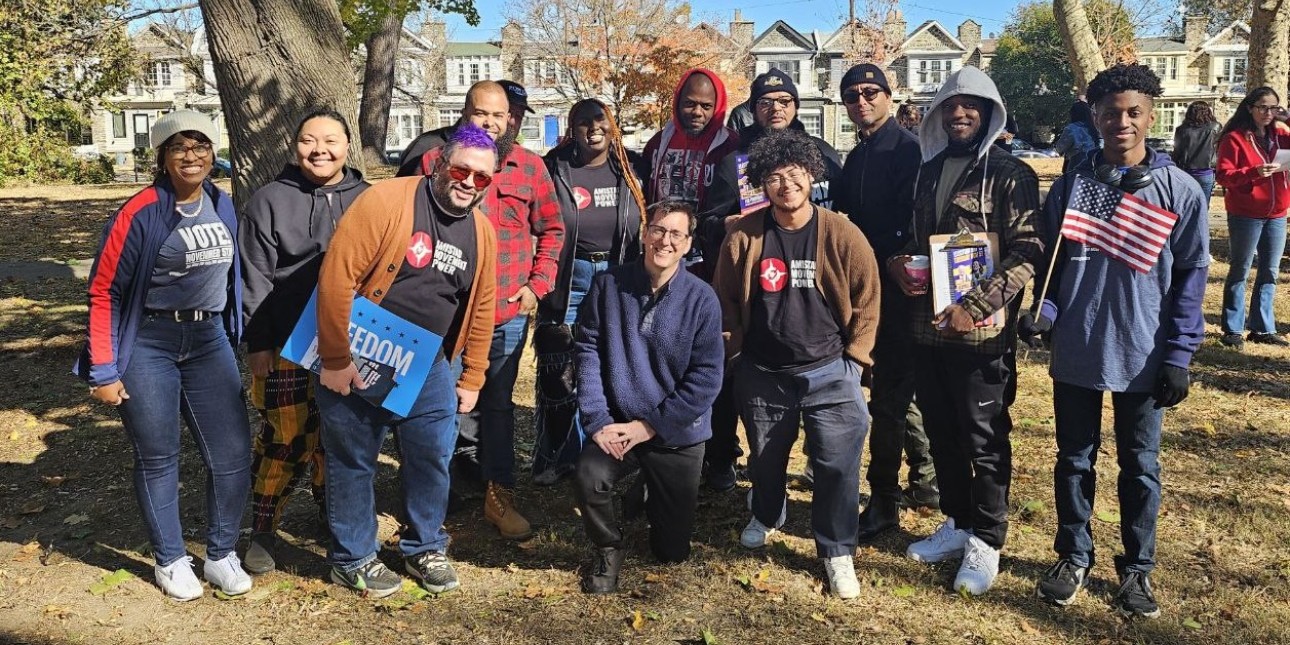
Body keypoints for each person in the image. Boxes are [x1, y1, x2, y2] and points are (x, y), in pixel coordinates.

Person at [1025, 63, 1209, 619]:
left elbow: (1192, 276)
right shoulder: (1075, 185)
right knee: (1074, 460)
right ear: (1096, 117)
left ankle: (1136, 569)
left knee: (1140, 465)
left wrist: (1180, 354)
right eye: (1110, 113)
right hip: (1078, 347)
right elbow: (1053, 264)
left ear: (1151, 116)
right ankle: (1074, 554)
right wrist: (1047, 310)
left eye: (1133, 112)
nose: (1121, 122)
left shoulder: (1179, 190)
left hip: (1144, 352)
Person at [73, 110, 252, 600]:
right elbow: (104, 291)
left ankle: (220, 553)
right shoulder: (140, 212)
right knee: (158, 456)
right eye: (179, 147)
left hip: (208, 340)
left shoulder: (222, 202)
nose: (191, 155)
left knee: (233, 453)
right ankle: (170, 559)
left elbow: (235, 277)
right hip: (149, 342)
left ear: (213, 153)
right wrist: (105, 369)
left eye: (200, 145)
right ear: (162, 157)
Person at [313, 124, 498, 597]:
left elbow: (481, 308)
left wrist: (473, 375)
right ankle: (352, 557)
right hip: (360, 346)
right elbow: (337, 277)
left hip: (428, 359)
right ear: (439, 164)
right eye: (462, 171)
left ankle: (424, 545)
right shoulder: (386, 202)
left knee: (432, 453)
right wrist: (335, 358)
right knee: (354, 458)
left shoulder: (482, 231)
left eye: (482, 179)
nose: (469, 184)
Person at [886, 66, 1043, 596]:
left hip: (981, 335)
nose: (959, 114)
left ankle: (988, 539)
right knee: (941, 429)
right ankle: (957, 521)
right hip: (927, 327)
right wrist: (900, 265)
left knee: (984, 437)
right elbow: (921, 239)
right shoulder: (929, 171)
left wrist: (974, 306)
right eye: (949, 107)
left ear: (990, 113)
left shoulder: (1011, 172)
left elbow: (1027, 253)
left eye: (971, 106)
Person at [714, 128, 881, 600]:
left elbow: (869, 299)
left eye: (793, 174)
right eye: (773, 177)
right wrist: (736, 353)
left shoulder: (841, 232)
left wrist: (856, 359)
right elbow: (725, 298)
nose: (785, 185)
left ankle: (836, 548)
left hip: (831, 369)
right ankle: (768, 512)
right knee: (766, 460)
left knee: (837, 465)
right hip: (764, 372)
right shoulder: (745, 235)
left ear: (811, 174)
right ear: (761, 185)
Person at [419, 81, 565, 537]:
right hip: (447, 316)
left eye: (498, 116)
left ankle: (498, 497)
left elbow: (553, 230)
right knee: (442, 406)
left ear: (510, 120)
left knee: (497, 406)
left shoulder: (530, 167)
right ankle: (434, 498)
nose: (490, 123)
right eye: (480, 113)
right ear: (464, 114)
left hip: (504, 313)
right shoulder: (435, 163)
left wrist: (536, 287)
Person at [698, 68, 843, 492]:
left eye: (784, 101)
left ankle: (820, 460)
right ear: (753, 108)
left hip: (814, 285)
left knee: (822, 377)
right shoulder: (735, 161)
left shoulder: (823, 154)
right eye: (765, 102)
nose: (775, 109)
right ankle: (724, 457)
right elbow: (709, 220)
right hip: (757, 288)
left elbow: (844, 213)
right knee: (733, 374)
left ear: (796, 106)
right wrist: (729, 222)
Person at [238, 109, 370, 574]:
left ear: (347, 146)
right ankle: (262, 529)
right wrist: (257, 344)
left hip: (352, 343)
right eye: (309, 141)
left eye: (330, 141)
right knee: (285, 436)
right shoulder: (269, 201)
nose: (320, 150)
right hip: (286, 341)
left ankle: (335, 519)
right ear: (295, 147)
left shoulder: (369, 199)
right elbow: (253, 278)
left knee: (341, 438)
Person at [572, 201, 724, 594]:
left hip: (675, 431)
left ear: (689, 244)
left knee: (671, 552)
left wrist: (650, 426)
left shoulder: (702, 299)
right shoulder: (608, 285)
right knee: (589, 474)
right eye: (658, 230)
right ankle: (608, 547)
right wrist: (597, 420)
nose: (665, 240)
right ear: (644, 233)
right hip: (618, 424)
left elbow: (706, 379)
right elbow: (587, 351)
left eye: (676, 234)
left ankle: (646, 487)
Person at [832, 63, 938, 544]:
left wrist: (897, 256)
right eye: (852, 95)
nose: (862, 101)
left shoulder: (909, 149)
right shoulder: (855, 158)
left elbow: (920, 220)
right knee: (892, 393)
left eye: (870, 92)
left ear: (889, 96)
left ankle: (884, 500)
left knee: (893, 399)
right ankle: (922, 477)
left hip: (904, 290)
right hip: (864, 286)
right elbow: (848, 225)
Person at [533, 99, 646, 488]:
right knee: (559, 370)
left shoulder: (632, 167)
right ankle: (558, 456)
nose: (592, 128)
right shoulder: (555, 167)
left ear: (612, 125)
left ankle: (612, 453)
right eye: (582, 122)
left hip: (619, 274)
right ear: (571, 128)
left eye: (599, 120)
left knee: (616, 362)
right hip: (572, 276)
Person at [1215, 86, 1290, 349]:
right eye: (1263, 107)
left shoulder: (1281, 134)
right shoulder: (1234, 138)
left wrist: (1288, 117)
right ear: (1250, 108)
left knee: (1270, 271)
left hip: (1278, 213)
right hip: (1246, 213)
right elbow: (1223, 176)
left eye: (1274, 108)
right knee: (1240, 269)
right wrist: (1254, 172)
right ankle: (1233, 328)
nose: (1268, 113)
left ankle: (1262, 327)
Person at [640, 68, 740, 220]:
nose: (697, 112)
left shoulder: (732, 146)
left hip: (710, 240)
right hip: (665, 238)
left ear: (717, 107)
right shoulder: (657, 143)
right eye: (689, 103)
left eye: (706, 106)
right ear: (678, 103)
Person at [396, 79, 533, 177]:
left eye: (518, 115)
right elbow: (404, 202)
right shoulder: (428, 149)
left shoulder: (529, 163)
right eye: (482, 113)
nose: (512, 121)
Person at [1172, 101, 1220, 203]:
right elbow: (1221, 149)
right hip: (1206, 172)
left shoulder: (1181, 130)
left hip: (1186, 172)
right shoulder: (1215, 127)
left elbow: (1177, 152)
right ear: (1208, 112)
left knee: (1186, 205)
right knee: (1203, 206)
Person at [1053, 100, 1100, 174]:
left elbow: (1060, 148)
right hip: (1093, 164)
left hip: (1075, 163)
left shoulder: (1071, 129)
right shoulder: (1094, 128)